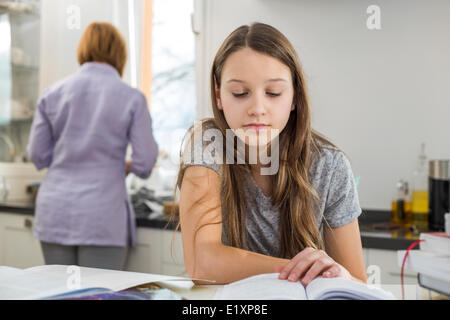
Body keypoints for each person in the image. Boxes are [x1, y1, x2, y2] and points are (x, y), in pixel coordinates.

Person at [174, 22, 367, 285]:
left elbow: (356, 282)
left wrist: (342, 276)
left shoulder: (329, 166)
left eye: (273, 93)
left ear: (294, 97)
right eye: (240, 93)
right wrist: (305, 270)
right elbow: (203, 264)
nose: (257, 108)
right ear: (219, 96)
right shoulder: (208, 147)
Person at [27, 22, 158, 270]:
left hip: (55, 211)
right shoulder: (132, 98)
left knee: (58, 293)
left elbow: (37, 156)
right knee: (98, 294)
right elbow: (145, 163)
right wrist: (122, 165)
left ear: (83, 50)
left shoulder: (51, 94)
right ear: (120, 55)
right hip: (102, 215)